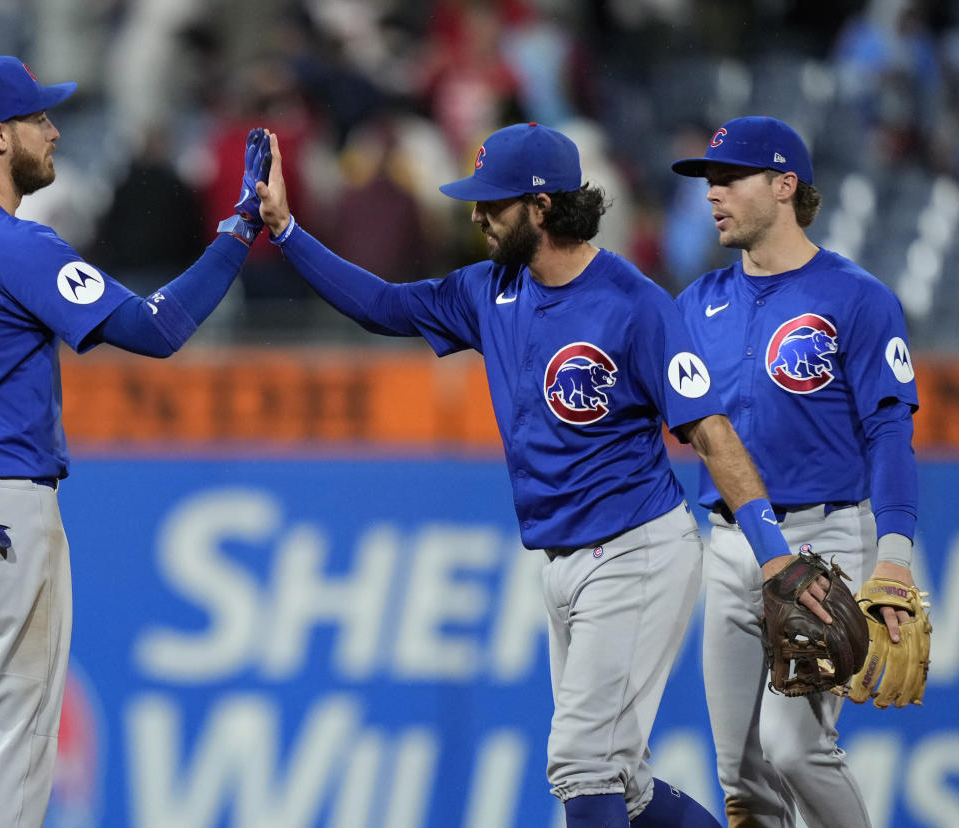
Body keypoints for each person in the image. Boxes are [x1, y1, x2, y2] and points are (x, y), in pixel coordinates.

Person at [255, 121, 828, 828]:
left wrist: (775, 558)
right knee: (626, 786)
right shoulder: (487, 290)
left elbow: (710, 432)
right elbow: (383, 306)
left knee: (582, 763)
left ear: (543, 207)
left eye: (493, 204)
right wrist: (285, 232)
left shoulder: (633, 303)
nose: (476, 216)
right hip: (560, 563)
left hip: (635, 552)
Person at [0, 56, 270, 827]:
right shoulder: (13, 244)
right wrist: (238, 232)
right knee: (15, 734)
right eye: (39, 120)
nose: (54, 130)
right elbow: (158, 328)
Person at [671, 116, 921, 828]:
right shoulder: (696, 305)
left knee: (796, 747)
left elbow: (890, 430)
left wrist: (894, 561)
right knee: (742, 775)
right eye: (708, 181)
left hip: (824, 543)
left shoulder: (857, 297)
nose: (712, 194)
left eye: (729, 179)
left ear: (785, 186)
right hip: (727, 543)